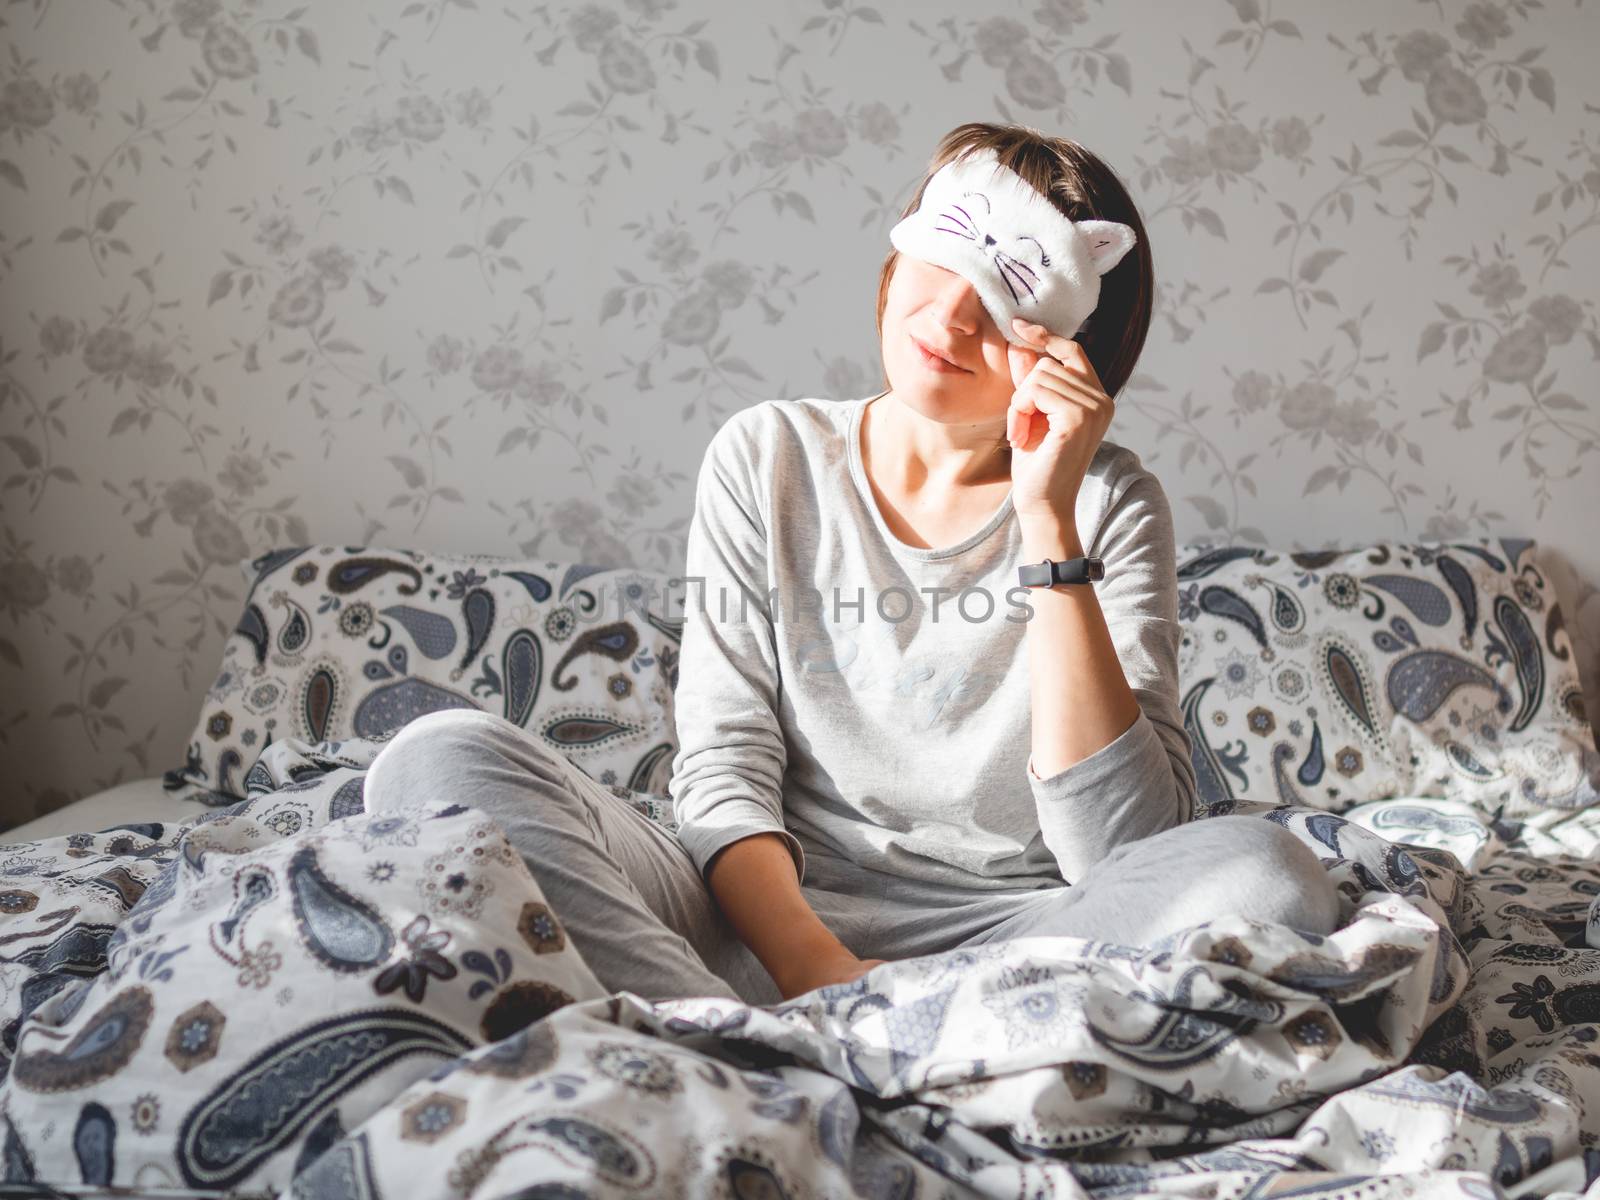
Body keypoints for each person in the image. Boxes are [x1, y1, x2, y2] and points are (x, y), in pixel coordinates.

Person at [363, 122, 1340, 1007]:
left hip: (1015, 938)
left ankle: (773, 1048)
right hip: (751, 924)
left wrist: (1049, 523)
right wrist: (811, 968)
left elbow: (1120, 849)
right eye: (945, 260)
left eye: (1008, 294)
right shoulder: (769, 455)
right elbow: (725, 761)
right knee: (437, 759)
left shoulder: (1109, 505)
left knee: (1268, 874)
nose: (952, 317)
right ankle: (759, 1049)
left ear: (1075, 350)